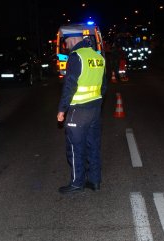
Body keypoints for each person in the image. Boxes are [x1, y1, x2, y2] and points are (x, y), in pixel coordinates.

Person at [57, 33, 107, 194]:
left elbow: (70, 85)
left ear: (72, 40)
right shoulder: (98, 57)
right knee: (93, 145)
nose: (66, 46)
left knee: (74, 147)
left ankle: (77, 183)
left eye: (66, 43)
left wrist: (62, 109)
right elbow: (104, 85)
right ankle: (95, 181)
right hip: (95, 109)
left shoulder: (76, 56)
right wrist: (98, 103)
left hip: (78, 110)